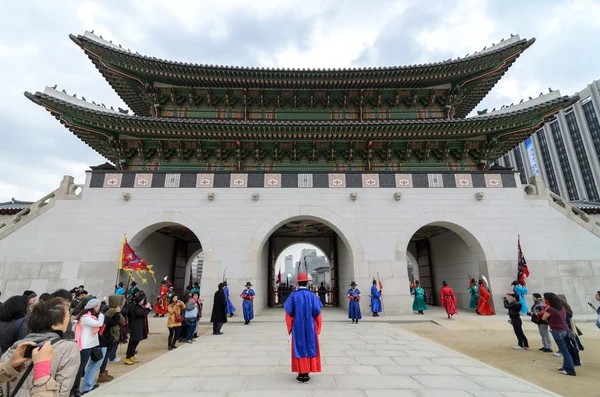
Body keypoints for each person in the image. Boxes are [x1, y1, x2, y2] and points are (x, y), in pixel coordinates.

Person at [0, 297, 80, 397]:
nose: (69, 319)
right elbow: (62, 391)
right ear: (54, 325)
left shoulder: (16, 347)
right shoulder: (68, 348)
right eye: (68, 316)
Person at [283, 272, 322, 384]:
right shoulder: (312, 295)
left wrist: (290, 328)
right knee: (310, 346)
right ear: (307, 282)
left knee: (299, 347)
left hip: (298, 327)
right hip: (310, 327)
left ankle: (301, 373)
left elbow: (288, 314)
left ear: (298, 283)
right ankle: (308, 372)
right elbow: (318, 313)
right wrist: (317, 327)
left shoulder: (293, 295)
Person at [72, 298, 105, 395]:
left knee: (83, 367)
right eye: (98, 307)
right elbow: (99, 323)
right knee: (80, 368)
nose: (99, 308)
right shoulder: (85, 317)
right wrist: (102, 314)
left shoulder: (90, 316)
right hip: (84, 346)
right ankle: (74, 390)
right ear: (94, 307)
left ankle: (83, 386)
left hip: (89, 345)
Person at [541, 292, 576, 376]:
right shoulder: (561, 307)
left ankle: (570, 370)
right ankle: (565, 366)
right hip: (564, 330)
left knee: (565, 351)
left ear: (548, 300)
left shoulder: (550, 309)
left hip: (557, 331)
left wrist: (544, 306)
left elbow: (543, 318)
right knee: (565, 350)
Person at [98, 295, 125, 382]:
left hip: (109, 335)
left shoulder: (107, 310)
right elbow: (122, 321)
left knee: (106, 355)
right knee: (106, 355)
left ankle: (103, 372)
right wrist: (118, 312)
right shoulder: (113, 311)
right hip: (112, 335)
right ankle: (102, 373)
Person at [557, 294, 583, 366]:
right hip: (569, 331)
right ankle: (575, 361)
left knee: (571, 347)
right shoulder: (567, 311)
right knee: (572, 347)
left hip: (567, 331)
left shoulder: (565, 312)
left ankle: (574, 362)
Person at [125, 293, 151, 365]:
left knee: (135, 342)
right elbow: (142, 314)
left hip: (138, 326)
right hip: (135, 326)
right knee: (133, 342)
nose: (143, 301)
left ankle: (131, 356)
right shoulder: (135, 307)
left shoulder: (138, 306)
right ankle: (128, 357)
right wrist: (147, 309)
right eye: (142, 300)